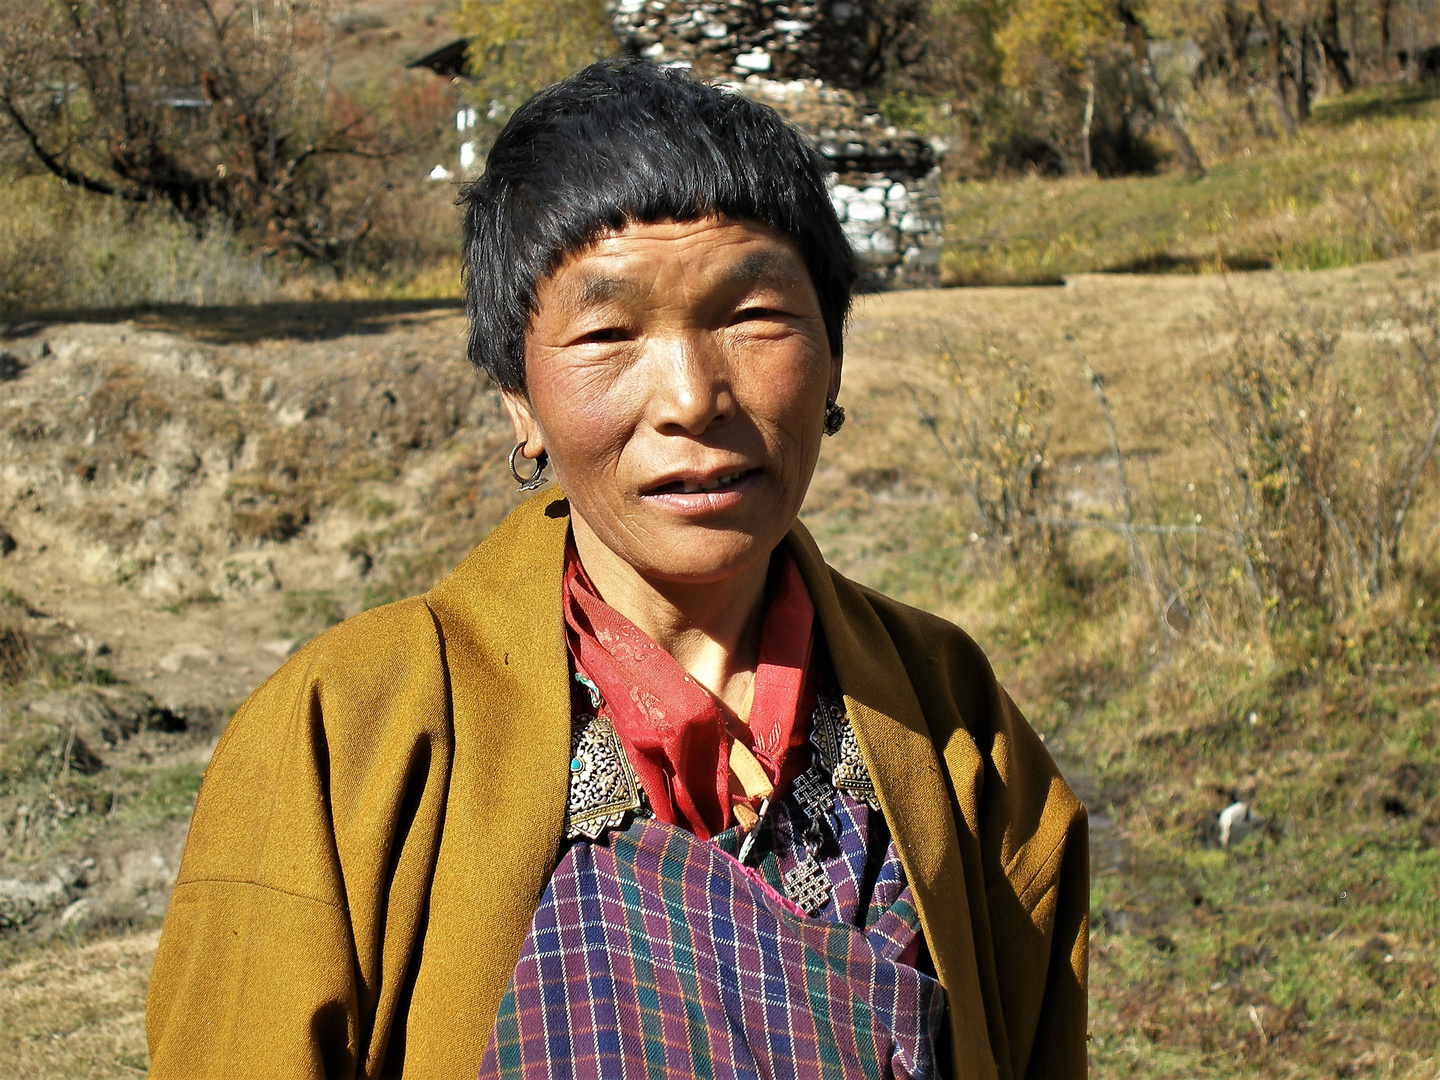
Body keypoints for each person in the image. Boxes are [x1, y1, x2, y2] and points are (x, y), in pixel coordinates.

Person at [146, 60, 1088, 1079]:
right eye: (606, 333)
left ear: (834, 359)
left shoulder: (952, 715)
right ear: (519, 398)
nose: (692, 397)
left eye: (753, 316)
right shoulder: (348, 733)